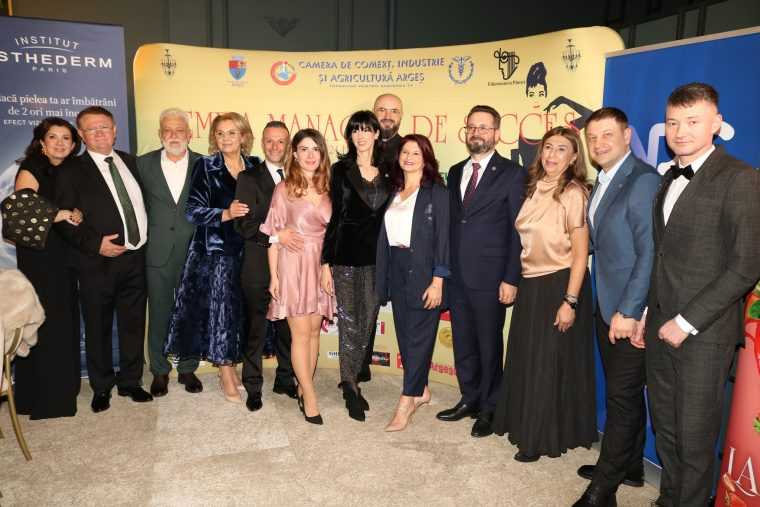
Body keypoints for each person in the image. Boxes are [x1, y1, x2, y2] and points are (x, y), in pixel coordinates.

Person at [644, 83, 760, 507]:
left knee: (694, 440)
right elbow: (662, 256)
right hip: (659, 325)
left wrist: (686, 322)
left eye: (692, 121)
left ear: (716, 123)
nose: (681, 131)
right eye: (673, 122)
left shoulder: (741, 178)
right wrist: (649, 313)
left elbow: (746, 265)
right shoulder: (666, 176)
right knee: (666, 430)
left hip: (704, 334)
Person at [572, 108, 660, 507]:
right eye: (592, 138)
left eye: (608, 135)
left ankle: (602, 490)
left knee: (621, 399)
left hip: (627, 311)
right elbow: (601, 243)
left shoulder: (641, 180)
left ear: (627, 136)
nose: (599, 143)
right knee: (624, 393)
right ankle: (631, 466)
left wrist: (630, 310)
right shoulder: (604, 180)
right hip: (606, 305)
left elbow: (649, 253)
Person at [492, 126, 596, 461]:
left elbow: (580, 255)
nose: (552, 155)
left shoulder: (573, 193)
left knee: (548, 364)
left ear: (574, 156)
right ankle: (524, 424)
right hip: (531, 283)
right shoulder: (533, 187)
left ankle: (539, 438)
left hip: (561, 283)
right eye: (548, 147)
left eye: (561, 149)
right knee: (528, 359)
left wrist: (570, 301)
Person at [436, 105, 526, 438]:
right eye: (472, 127)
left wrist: (511, 278)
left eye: (484, 127)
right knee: (463, 342)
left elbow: (518, 230)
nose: (477, 133)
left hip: (491, 276)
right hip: (457, 276)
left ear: (497, 134)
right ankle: (470, 398)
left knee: (489, 345)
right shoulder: (456, 171)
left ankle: (491, 407)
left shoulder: (513, 174)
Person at [55, 106, 152, 413]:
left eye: (104, 127)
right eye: (91, 129)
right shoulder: (70, 170)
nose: (99, 133)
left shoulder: (132, 162)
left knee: (133, 324)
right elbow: (62, 219)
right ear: (81, 135)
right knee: (98, 327)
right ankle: (101, 386)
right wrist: (96, 244)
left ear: (115, 130)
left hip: (136, 258)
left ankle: (131, 381)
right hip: (96, 263)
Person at [164, 112, 258, 403]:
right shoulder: (206, 166)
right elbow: (192, 210)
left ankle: (234, 364)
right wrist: (225, 213)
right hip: (217, 252)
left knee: (241, 312)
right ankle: (226, 371)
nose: (226, 138)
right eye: (220, 133)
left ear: (243, 136)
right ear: (213, 138)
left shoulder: (255, 166)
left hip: (250, 250)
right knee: (221, 314)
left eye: (232, 133)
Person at [3, 118, 82, 419]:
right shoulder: (31, 168)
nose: (60, 143)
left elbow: (71, 207)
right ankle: (45, 399)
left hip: (63, 255)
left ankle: (61, 391)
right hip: (41, 258)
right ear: (41, 142)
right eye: (53, 137)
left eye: (66, 138)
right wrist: (58, 214)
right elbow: (19, 210)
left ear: (73, 145)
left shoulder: (68, 170)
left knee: (62, 321)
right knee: (47, 322)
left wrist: (75, 213)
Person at [376, 134, 449, 431]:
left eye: (416, 153)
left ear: (426, 158)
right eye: (405, 152)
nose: (408, 157)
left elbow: (444, 239)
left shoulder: (437, 193)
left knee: (418, 338)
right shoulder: (393, 191)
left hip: (424, 272)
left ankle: (407, 400)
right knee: (406, 337)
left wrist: (438, 280)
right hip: (396, 269)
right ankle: (422, 390)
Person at [322, 110, 392, 421]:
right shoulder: (341, 170)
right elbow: (335, 216)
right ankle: (350, 385)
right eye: (355, 130)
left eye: (366, 129)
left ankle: (353, 372)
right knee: (349, 320)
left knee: (368, 319)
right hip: (346, 255)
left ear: (377, 133)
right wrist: (325, 261)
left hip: (379, 257)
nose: (361, 135)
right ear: (350, 136)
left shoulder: (391, 170)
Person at [261, 128, 335, 425]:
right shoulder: (284, 189)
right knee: (301, 334)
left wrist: (327, 266)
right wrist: (274, 277)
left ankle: (306, 386)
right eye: (304, 149)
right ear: (294, 153)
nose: (310, 155)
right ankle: (310, 395)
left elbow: (333, 235)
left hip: (321, 266)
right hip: (293, 265)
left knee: (315, 332)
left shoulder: (328, 186)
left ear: (322, 154)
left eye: (315, 149)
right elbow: (272, 236)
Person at [136, 108, 203, 397]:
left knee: (190, 313)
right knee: (159, 313)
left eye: (179, 130)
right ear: (160, 134)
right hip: (157, 251)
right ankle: (159, 370)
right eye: (168, 130)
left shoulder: (205, 164)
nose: (173, 135)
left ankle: (187, 368)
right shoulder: (142, 164)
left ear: (189, 134)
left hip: (194, 252)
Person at [234, 121, 299, 412]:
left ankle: (285, 378)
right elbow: (243, 225)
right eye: (269, 141)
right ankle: (253, 386)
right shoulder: (248, 178)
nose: (275, 146)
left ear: (288, 145)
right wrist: (275, 237)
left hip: (293, 266)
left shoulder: (300, 177)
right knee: (256, 329)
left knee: (288, 328)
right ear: (262, 142)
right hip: (258, 264)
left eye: (281, 141)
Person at [373, 93, 404, 172]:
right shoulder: (360, 149)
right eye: (382, 110)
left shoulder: (409, 149)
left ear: (401, 115)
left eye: (394, 111)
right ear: (373, 113)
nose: (387, 117)